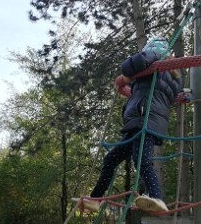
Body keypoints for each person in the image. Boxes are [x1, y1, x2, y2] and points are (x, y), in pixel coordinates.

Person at [78, 37, 182, 214]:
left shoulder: (155, 56)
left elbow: (132, 64)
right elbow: (165, 95)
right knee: (111, 159)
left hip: (145, 118)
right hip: (142, 121)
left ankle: (157, 198)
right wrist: (129, 83)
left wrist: (125, 77)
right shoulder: (173, 76)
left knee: (142, 161)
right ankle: (95, 199)